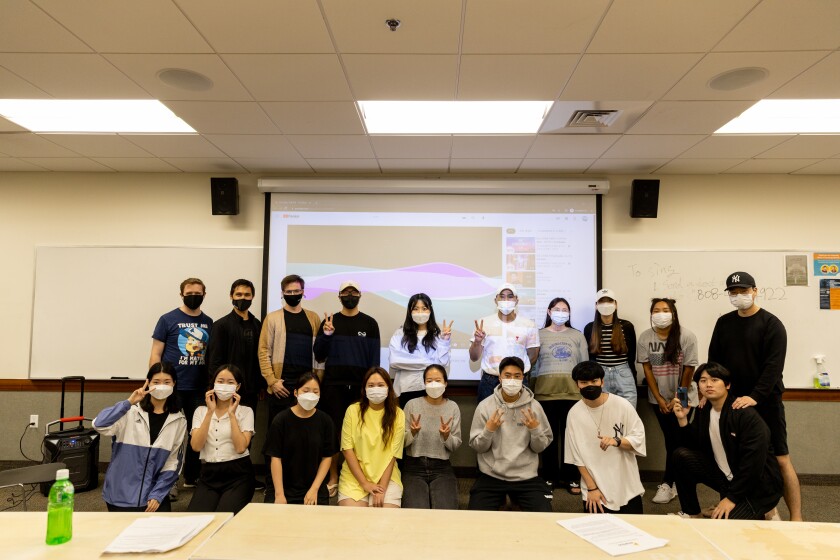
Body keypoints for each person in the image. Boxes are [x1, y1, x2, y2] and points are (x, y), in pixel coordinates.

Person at [708, 271, 802, 521]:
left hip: (766, 402)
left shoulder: (771, 324)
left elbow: (774, 367)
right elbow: (714, 363)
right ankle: (768, 509)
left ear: (755, 290)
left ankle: (797, 517)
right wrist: (710, 390)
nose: (739, 296)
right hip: (734, 404)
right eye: (733, 292)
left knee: (780, 459)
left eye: (743, 291)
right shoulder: (724, 323)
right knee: (739, 459)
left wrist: (755, 397)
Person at [671, 362, 783, 520]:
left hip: (757, 486)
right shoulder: (704, 410)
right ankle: (694, 514)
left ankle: (767, 510)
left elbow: (753, 465)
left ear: (728, 385)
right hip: (727, 477)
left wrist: (731, 499)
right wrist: (683, 420)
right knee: (680, 456)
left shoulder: (744, 414)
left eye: (715, 380)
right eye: (703, 381)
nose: (708, 384)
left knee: (723, 524)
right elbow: (694, 446)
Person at [258, 274, 323, 497]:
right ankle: (273, 486)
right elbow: (263, 351)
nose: (293, 295)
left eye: (297, 291)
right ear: (283, 292)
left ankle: (302, 485)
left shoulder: (313, 318)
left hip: (307, 389)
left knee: (305, 439)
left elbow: (319, 355)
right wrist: (272, 381)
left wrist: (316, 386)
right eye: (289, 291)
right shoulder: (273, 318)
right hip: (281, 387)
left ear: (303, 292)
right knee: (277, 439)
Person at [314, 280, 381, 496]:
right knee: (333, 434)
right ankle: (333, 476)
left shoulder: (370, 324)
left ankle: (358, 475)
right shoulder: (329, 322)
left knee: (360, 433)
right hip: (333, 386)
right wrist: (326, 335)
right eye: (345, 292)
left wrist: (371, 388)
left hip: (361, 389)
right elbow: (319, 354)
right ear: (339, 295)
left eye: (353, 292)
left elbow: (374, 361)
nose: (349, 295)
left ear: (360, 295)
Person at [93, 362, 187, 512]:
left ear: (174, 384)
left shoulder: (178, 420)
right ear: (148, 383)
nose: (161, 386)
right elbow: (99, 424)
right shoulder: (130, 411)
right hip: (120, 494)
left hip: (153, 495)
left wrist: (158, 494)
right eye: (156, 382)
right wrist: (129, 402)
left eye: (167, 382)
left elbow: (173, 462)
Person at [149, 277, 212, 491]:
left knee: (197, 432)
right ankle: (167, 480)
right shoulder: (167, 319)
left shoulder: (209, 322)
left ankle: (192, 477)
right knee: (169, 434)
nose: (193, 296)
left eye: (198, 293)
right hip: (172, 388)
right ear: (181, 294)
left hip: (199, 389)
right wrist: (154, 384)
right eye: (189, 292)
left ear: (204, 294)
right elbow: (156, 353)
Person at [468, 356, 553, 512]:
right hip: (491, 475)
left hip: (526, 476)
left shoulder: (534, 407)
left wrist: (535, 430)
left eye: (517, 376)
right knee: (475, 518)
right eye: (507, 376)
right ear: (500, 378)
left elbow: (540, 448)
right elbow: (477, 447)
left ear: (523, 378)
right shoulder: (485, 406)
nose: (512, 380)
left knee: (544, 517)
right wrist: (489, 430)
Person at [637, 298, 698, 504]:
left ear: (673, 313)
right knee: (671, 440)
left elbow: (689, 368)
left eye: (665, 310)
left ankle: (669, 483)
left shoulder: (686, 336)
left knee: (678, 441)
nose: (660, 313)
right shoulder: (645, 337)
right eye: (656, 310)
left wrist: (677, 398)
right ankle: (674, 482)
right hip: (659, 401)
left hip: (683, 398)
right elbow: (647, 369)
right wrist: (660, 398)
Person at [565, 361, 646, 514]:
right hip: (595, 489)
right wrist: (592, 488)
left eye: (594, 381)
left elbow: (639, 438)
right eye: (584, 382)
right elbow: (576, 457)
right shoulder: (574, 414)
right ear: (577, 385)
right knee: (598, 535)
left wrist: (617, 441)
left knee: (633, 532)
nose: (590, 385)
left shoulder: (622, 405)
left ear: (602, 381)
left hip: (626, 485)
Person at [532, 297, 589, 495]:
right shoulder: (538, 335)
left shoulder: (577, 335)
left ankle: (571, 477)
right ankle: (548, 477)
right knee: (548, 438)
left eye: (565, 309)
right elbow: (532, 366)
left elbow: (584, 365)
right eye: (557, 309)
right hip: (545, 394)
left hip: (572, 394)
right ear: (548, 312)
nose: (561, 312)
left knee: (570, 438)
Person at [186, 365, 255, 514]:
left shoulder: (246, 411)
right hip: (209, 474)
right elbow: (196, 446)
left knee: (225, 517)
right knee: (195, 518)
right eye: (221, 381)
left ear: (238, 387)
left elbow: (241, 447)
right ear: (213, 384)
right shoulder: (200, 411)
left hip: (238, 474)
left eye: (230, 382)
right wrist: (210, 412)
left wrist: (232, 414)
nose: (224, 386)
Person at [263, 372, 335, 505]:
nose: (310, 395)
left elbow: (327, 457)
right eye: (306, 390)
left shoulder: (326, 421)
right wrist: (279, 495)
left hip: (314, 487)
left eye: (315, 391)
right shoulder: (281, 420)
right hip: (283, 488)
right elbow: (275, 457)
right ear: (295, 392)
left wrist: (314, 489)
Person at [337, 367, 405, 508]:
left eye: (380, 385)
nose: (376, 389)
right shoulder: (352, 410)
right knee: (352, 522)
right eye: (371, 385)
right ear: (364, 389)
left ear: (388, 388)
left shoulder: (398, 414)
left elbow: (393, 455)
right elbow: (347, 449)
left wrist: (382, 489)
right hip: (354, 477)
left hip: (387, 477)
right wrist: (365, 483)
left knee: (385, 523)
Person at [402, 364, 462, 509]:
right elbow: (400, 443)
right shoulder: (412, 405)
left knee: (446, 512)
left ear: (445, 383)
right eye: (429, 381)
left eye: (438, 380)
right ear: (424, 383)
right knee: (416, 511)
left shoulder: (452, 407)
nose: (433, 384)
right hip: (413, 466)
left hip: (441, 467)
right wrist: (413, 433)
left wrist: (446, 436)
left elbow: (455, 445)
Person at [207, 279, 263, 427]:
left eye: (247, 295)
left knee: (247, 433)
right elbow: (214, 361)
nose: (242, 298)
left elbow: (260, 358)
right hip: (226, 392)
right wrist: (217, 389)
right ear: (231, 296)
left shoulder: (258, 325)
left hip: (251, 392)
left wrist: (261, 386)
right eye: (238, 294)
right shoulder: (220, 325)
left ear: (253, 297)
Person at [470, 283, 540, 402]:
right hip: (490, 381)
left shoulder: (529, 325)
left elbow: (532, 356)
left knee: (521, 418)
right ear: (495, 300)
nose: (505, 300)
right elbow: (474, 357)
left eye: (510, 296)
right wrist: (477, 342)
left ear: (517, 300)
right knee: (488, 418)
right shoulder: (483, 323)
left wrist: (516, 373)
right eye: (501, 296)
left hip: (518, 380)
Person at [388, 293, 452, 408]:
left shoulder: (439, 336)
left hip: (432, 389)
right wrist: (430, 362)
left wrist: (444, 342)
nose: (420, 312)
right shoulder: (399, 334)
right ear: (409, 311)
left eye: (424, 308)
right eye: (416, 309)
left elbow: (442, 364)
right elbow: (395, 362)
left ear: (430, 310)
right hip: (406, 389)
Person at [583, 288, 638, 408]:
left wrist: (632, 376)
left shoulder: (627, 326)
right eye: (602, 302)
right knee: (602, 413)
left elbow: (632, 355)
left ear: (616, 304)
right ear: (596, 306)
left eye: (609, 301)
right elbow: (590, 356)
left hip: (623, 373)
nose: (606, 305)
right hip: (600, 374)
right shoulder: (590, 328)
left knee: (629, 412)